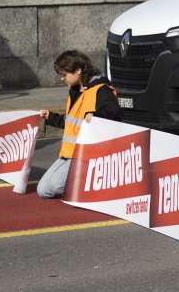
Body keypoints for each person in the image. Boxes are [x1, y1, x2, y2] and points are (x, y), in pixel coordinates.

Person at [36, 50, 121, 198]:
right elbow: (71, 122)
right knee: (43, 190)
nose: (62, 79)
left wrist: (97, 116)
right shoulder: (76, 90)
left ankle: (95, 180)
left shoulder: (101, 89)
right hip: (70, 153)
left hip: (88, 155)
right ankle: (86, 182)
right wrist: (50, 117)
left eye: (64, 75)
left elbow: (115, 113)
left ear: (78, 70)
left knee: (56, 186)